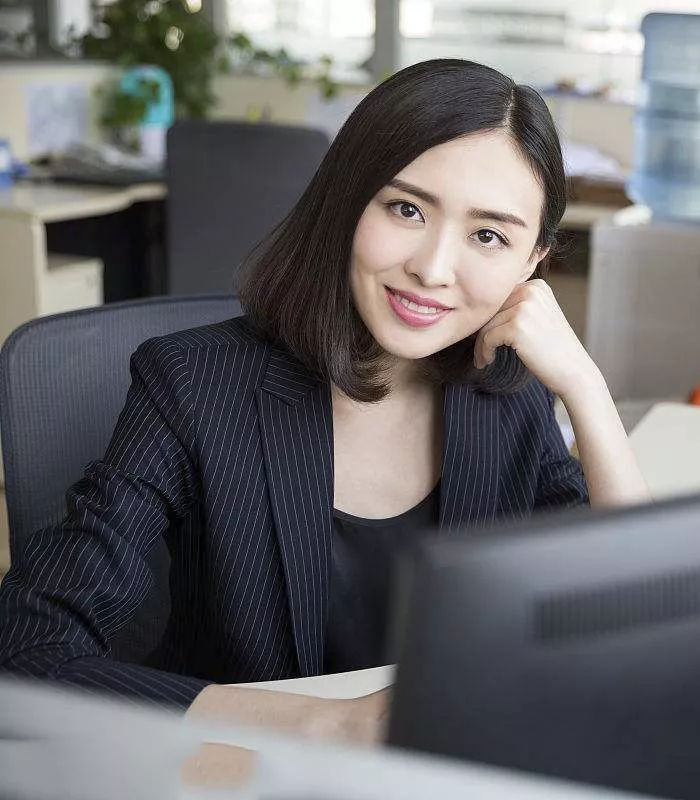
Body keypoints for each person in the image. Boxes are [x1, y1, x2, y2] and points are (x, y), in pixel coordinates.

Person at [0, 59, 650, 745]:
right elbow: (25, 653)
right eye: (406, 208)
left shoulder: (508, 393)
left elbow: (635, 618)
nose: (432, 267)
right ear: (347, 202)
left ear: (532, 262)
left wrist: (586, 388)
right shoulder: (192, 385)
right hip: (243, 774)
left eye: (487, 235)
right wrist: (324, 723)